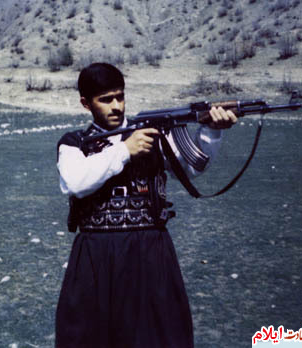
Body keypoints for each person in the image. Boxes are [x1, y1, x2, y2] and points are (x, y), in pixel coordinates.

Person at [55, 63, 238, 348]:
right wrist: (125, 150)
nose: (116, 106)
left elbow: (192, 168)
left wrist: (212, 132)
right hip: (95, 257)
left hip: (150, 253)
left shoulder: (152, 134)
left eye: (120, 96)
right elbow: (76, 182)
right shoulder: (74, 143)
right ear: (85, 103)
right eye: (106, 100)